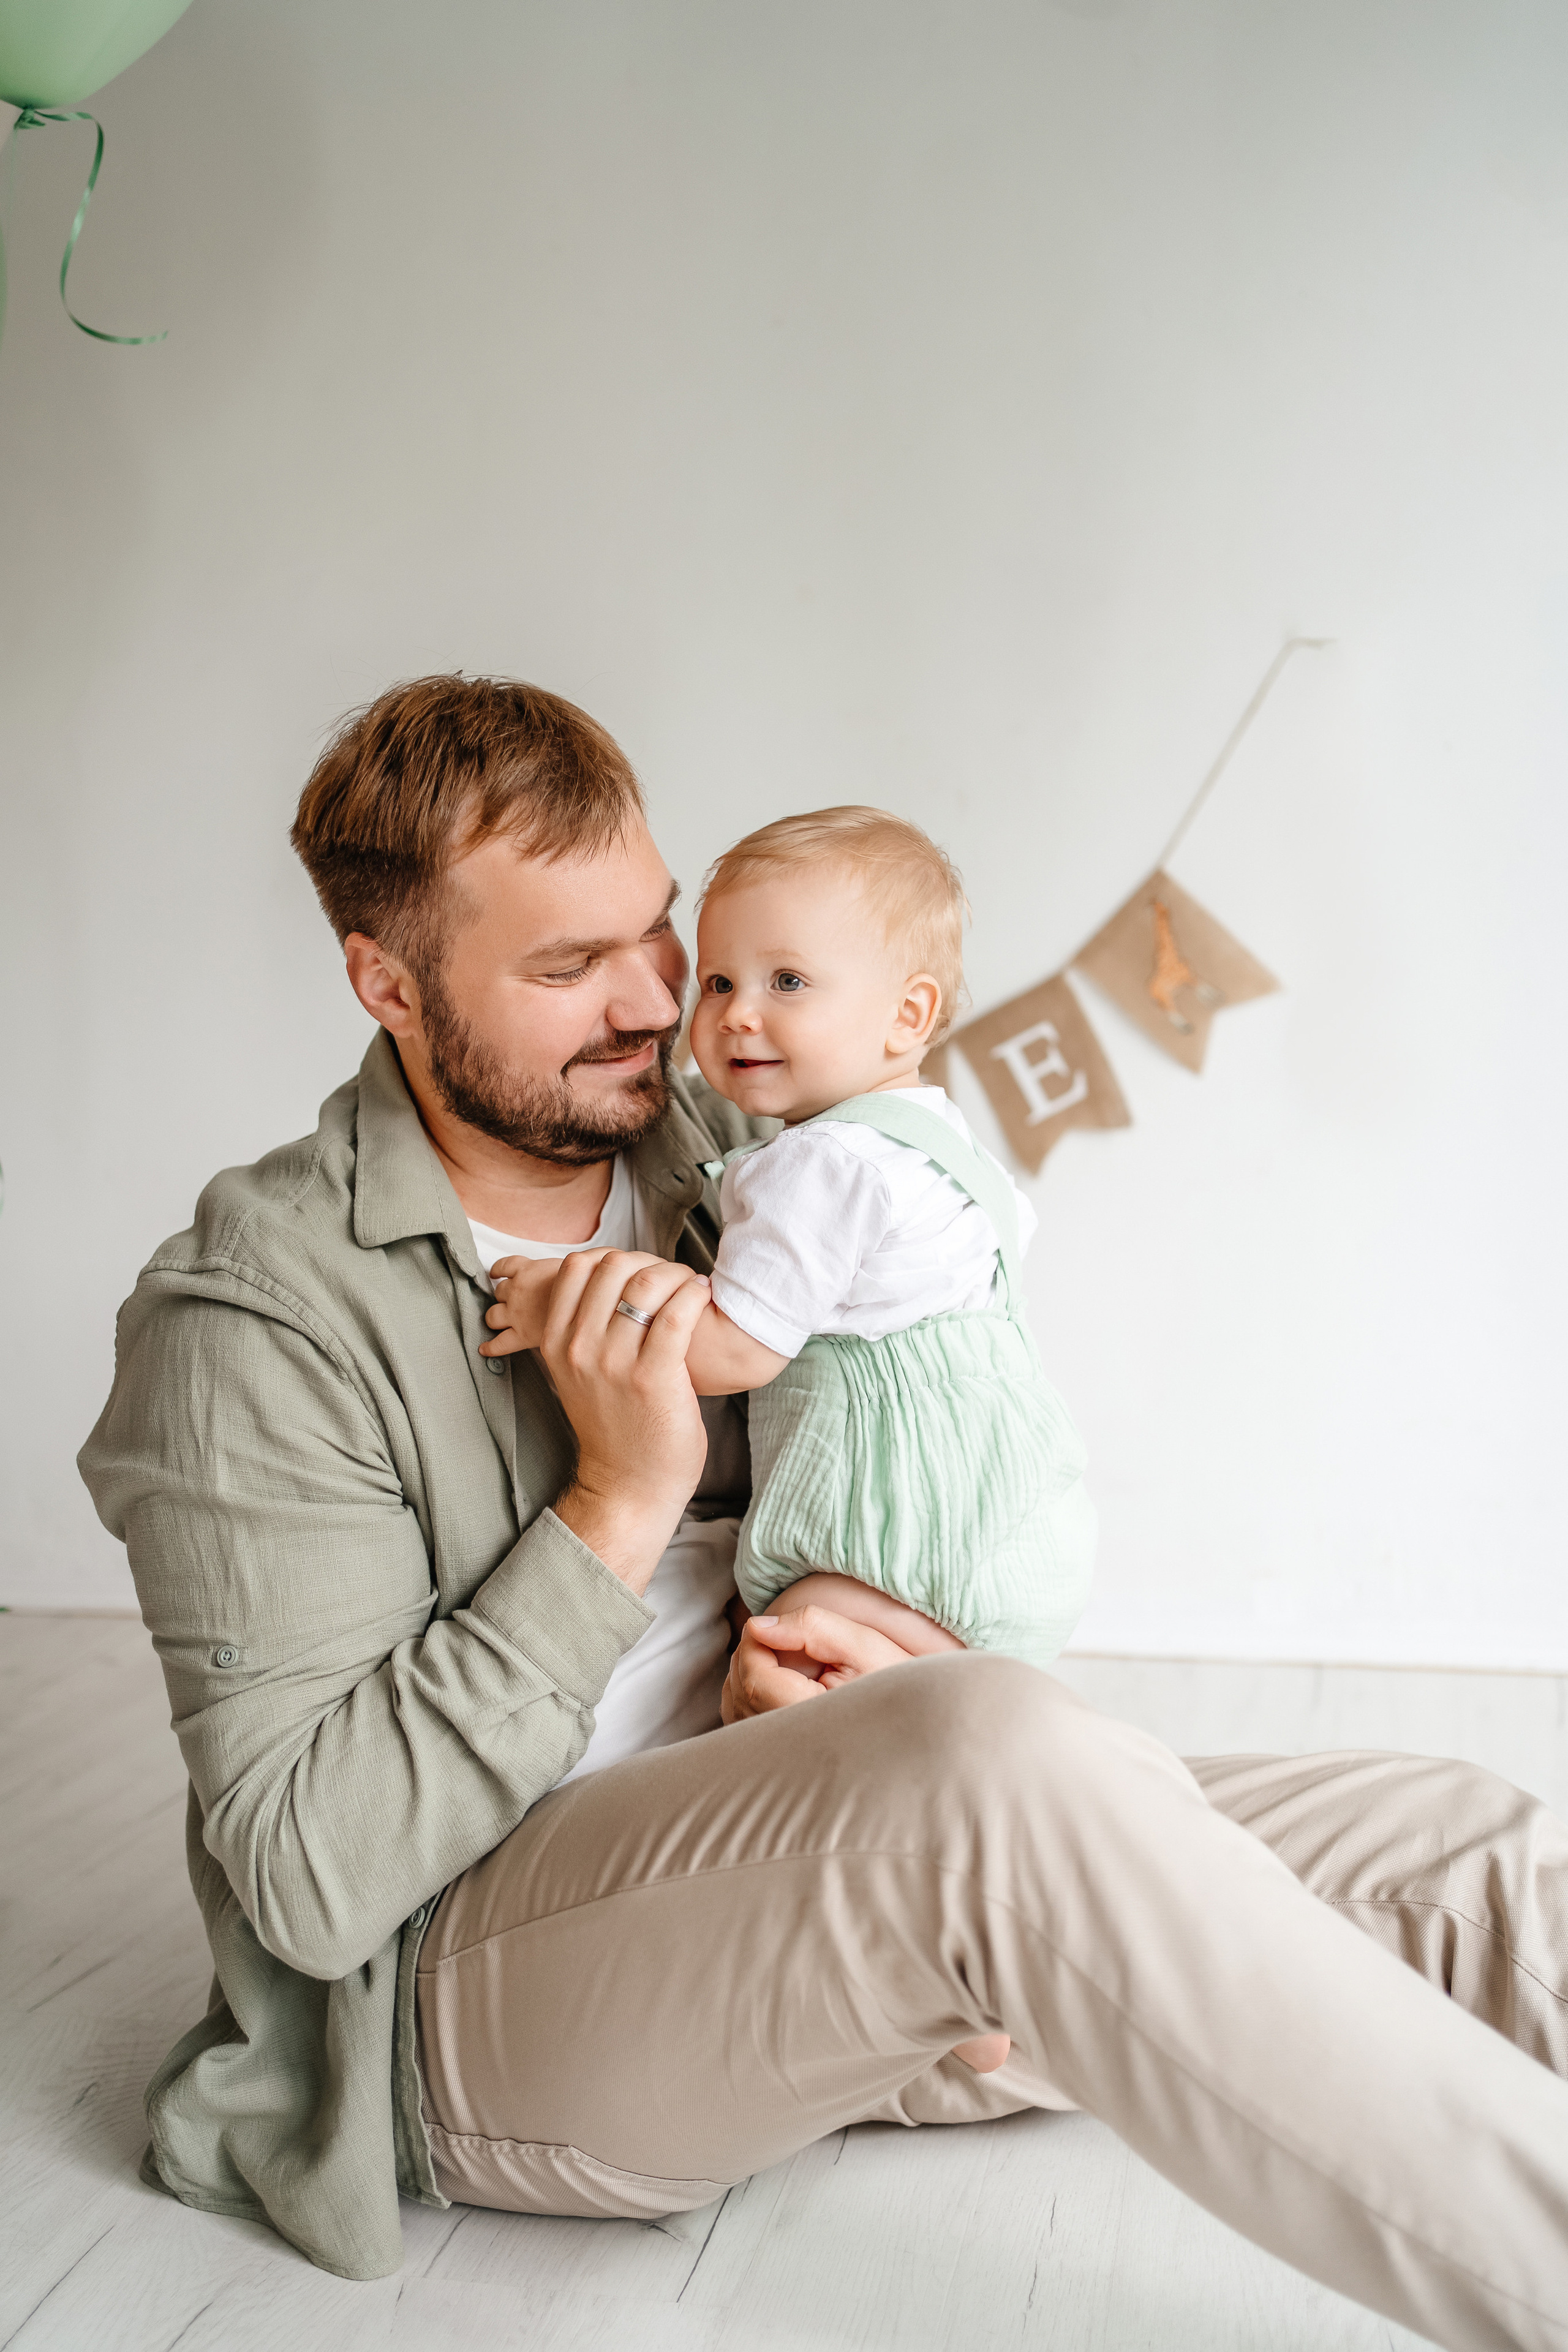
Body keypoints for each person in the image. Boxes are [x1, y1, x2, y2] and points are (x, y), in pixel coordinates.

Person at [79, 674, 1568, 2351]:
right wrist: (619, 1503)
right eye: (570, 968)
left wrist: (899, 1660)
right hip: (467, 2007)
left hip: (807, 1879)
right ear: (388, 984)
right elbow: (308, 1878)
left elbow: (911, 1451)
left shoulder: (726, 1139)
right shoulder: (252, 1323)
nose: (663, 1001)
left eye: (658, 930)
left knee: (1458, 1851)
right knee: (992, 1769)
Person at [481, 802, 1097, 1676]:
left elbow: (735, 1351)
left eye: (789, 984)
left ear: (907, 1015)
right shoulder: (937, 1142)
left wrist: (570, 1305)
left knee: (778, 1665)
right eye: (722, 983)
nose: (736, 1015)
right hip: (1013, 1529)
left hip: (896, 1546)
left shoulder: (824, 1166)